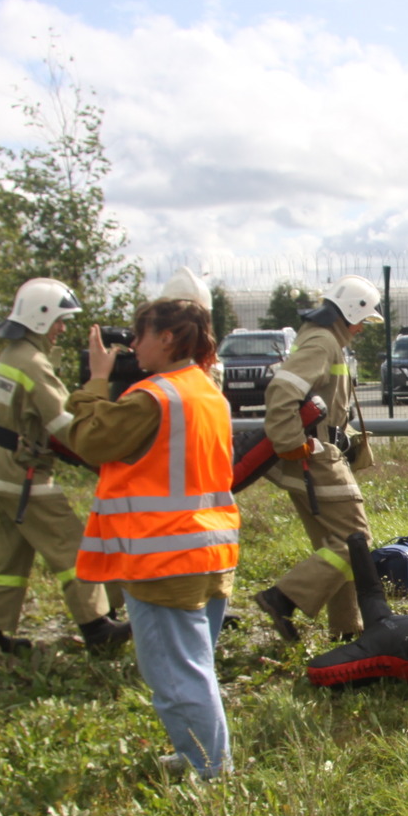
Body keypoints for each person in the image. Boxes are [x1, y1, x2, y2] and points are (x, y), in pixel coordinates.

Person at [72, 298, 240, 779]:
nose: (132, 345)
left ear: (166, 338)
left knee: (177, 676)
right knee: (196, 667)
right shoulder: (206, 392)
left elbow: (90, 440)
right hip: (209, 550)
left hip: (164, 558)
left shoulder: (154, 396)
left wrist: (96, 381)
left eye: (139, 334)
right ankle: (199, 755)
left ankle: (210, 773)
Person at [0, 277, 131, 656]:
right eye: (59, 320)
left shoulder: (10, 356)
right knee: (73, 549)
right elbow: (65, 425)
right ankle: (97, 626)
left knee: (8, 560)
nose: (62, 329)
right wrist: (109, 445)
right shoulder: (34, 364)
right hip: (22, 474)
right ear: (40, 318)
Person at [253, 276, 382, 643]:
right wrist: (292, 442)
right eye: (362, 320)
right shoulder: (323, 341)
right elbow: (282, 392)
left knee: (336, 545)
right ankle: (281, 599)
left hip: (319, 454)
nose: (360, 329)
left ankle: (347, 630)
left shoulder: (324, 340)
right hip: (316, 457)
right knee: (354, 540)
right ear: (349, 312)